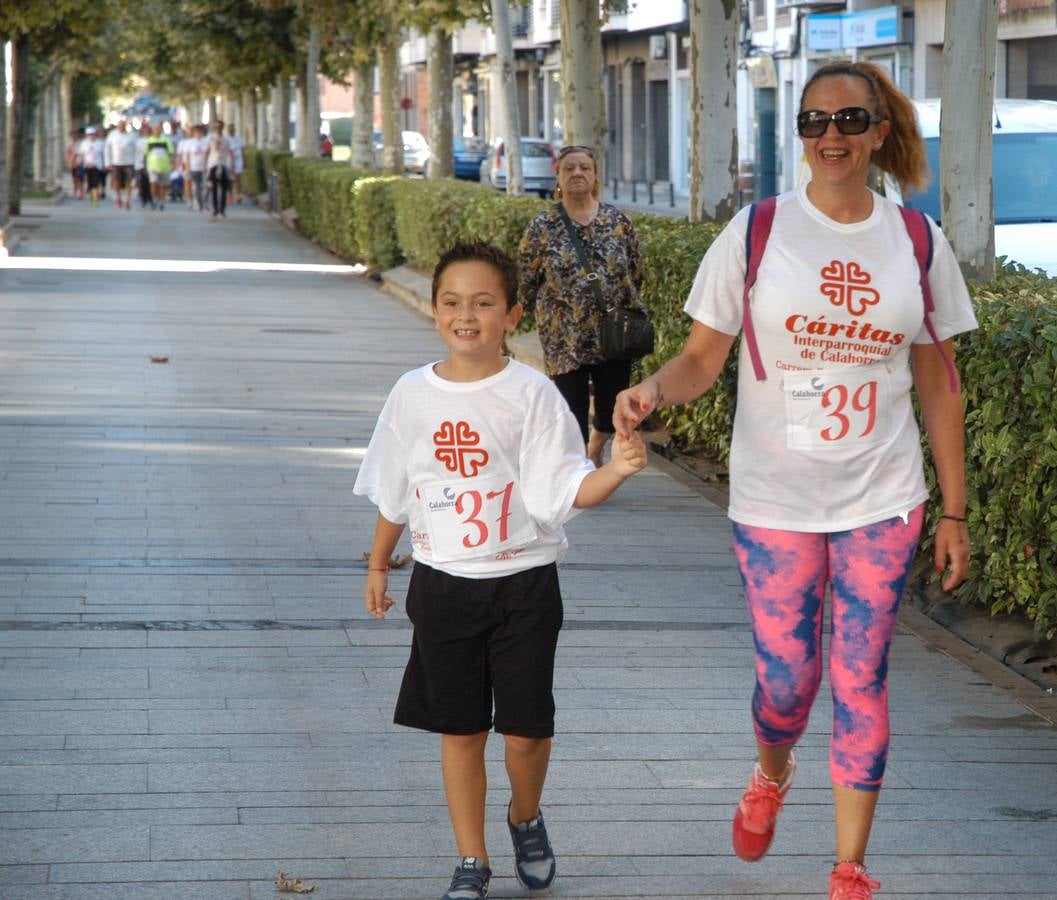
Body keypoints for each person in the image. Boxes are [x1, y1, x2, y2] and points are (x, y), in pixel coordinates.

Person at [612, 61, 976, 900]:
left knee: (859, 675)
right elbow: (704, 357)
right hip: (775, 498)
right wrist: (650, 390)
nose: (830, 138)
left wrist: (952, 509)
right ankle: (770, 772)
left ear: (879, 132)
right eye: (813, 122)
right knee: (786, 680)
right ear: (799, 134)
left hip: (881, 496)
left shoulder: (915, 241)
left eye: (849, 122)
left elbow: (939, 381)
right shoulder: (758, 230)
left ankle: (849, 868)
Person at [354, 242, 648, 900]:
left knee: (525, 730)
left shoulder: (533, 395)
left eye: (484, 303)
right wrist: (379, 563)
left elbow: (563, 487)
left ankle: (524, 814)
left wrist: (616, 471)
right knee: (460, 730)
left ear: (512, 314)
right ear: (434, 312)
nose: (467, 316)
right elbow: (395, 488)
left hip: (524, 584)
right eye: (453, 303)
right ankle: (470, 859)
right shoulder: (411, 395)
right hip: (442, 584)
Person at [517, 145, 645, 468]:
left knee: (608, 407)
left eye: (584, 168)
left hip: (613, 332)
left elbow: (636, 270)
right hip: (564, 336)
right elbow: (526, 278)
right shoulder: (542, 226)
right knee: (571, 407)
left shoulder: (618, 222)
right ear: (558, 176)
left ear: (595, 175)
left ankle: (596, 445)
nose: (577, 173)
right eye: (569, 168)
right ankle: (578, 470)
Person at [105, 119, 139, 210]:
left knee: (128, 182)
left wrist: (137, 163)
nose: (121, 127)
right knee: (116, 182)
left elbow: (137, 150)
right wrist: (107, 162)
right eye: (120, 126)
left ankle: (127, 200)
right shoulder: (112, 135)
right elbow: (107, 149)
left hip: (129, 162)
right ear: (117, 126)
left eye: (123, 126)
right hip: (116, 163)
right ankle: (118, 197)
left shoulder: (131, 136)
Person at [205, 120, 233, 220]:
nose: (218, 129)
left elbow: (230, 152)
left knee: (224, 189)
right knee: (214, 189)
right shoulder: (211, 138)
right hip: (213, 164)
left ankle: (222, 210)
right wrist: (206, 165)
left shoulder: (226, 139)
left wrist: (231, 166)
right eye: (217, 127)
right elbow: (207, 151)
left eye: (220, 127)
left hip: (224, 164)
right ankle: (215, 210)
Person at [144, 125, 175, 210]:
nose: (157, 131)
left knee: (163, 185)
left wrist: (172, 163)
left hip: (164, 166)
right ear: (153, 131)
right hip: (152, 166)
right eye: (155, 130)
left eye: (158, 130)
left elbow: (171, 153)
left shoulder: (166, 140)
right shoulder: (149, 141)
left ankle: (162, 201)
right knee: (154, 183)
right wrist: (145, 166)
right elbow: (146, 154)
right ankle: (154, 199)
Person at [227, 122, 244, 204]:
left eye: (232, 129)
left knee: (238, 178)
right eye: (230, 129)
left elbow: (242, 149)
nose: (231, 130)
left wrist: (245, 161)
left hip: (238, 159)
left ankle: (238, 195)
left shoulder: (239, 138)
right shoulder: (226, 138)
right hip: (229, 160)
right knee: (230, 180)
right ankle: (230, 196)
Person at [66, 129, 85, 200]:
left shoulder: (81, 144)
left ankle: (81, 192)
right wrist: (69, 161)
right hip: (72, 164)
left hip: (80, 164)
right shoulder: (69, 144)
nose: (73, 137)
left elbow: (82, 153)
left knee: (80, 178)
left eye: (75, 135)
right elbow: (67, 154)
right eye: (72, 135)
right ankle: (75, 190)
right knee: (74, 179)